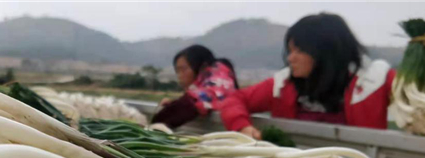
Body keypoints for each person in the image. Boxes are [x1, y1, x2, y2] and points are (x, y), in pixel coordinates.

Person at [221, 13, 396, 139]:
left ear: (326, 51)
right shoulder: (283, 85)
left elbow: (417, 107)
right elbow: (234, 100)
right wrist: (242, 127)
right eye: (289, 51)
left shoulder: (374, 82)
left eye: (299, 50)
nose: (290, 58)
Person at [151, 45, 238, 128]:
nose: (179, 75)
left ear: (202, 67)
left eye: (183, 69)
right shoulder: (215, 77)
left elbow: (197, 101)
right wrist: (173, 104)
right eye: (177, 71)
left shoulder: (220, 79)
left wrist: (155, 124)